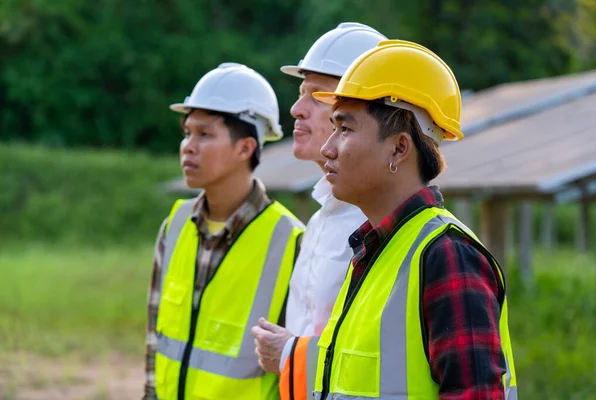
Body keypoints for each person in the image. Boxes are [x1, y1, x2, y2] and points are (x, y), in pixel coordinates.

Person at [284, 40, 518, 399]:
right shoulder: (372, 251)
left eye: (344, 130)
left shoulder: (447, 257)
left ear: (399, 148)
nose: (328, 148)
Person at [143, 62, 305, 400]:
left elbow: (296, 363)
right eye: (187, 132)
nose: (188, 146)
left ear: (245, 148)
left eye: (205, 134)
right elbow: (155, 339)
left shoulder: (291, 241)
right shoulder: (175, 225)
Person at [250, 22, 387, 399]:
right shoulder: (320, 219)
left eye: (316, 95)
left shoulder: (379, 225)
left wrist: (290, 352)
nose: (296, 108)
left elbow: (382, 357)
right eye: (300, 92)